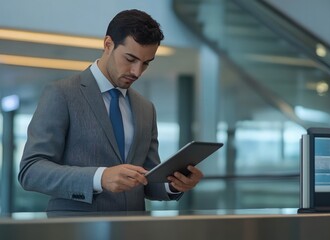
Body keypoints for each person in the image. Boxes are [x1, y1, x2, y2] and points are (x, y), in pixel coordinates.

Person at [18, 9, 203, 212]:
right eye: (130, 59)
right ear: (108, 44)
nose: (137, 71)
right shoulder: (62, 94)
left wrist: (173, 184)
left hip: (132, 229)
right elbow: (31, 171)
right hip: (76, 229)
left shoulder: (146, 108)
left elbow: (147, 178)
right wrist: (100, 177)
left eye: (146, 63)